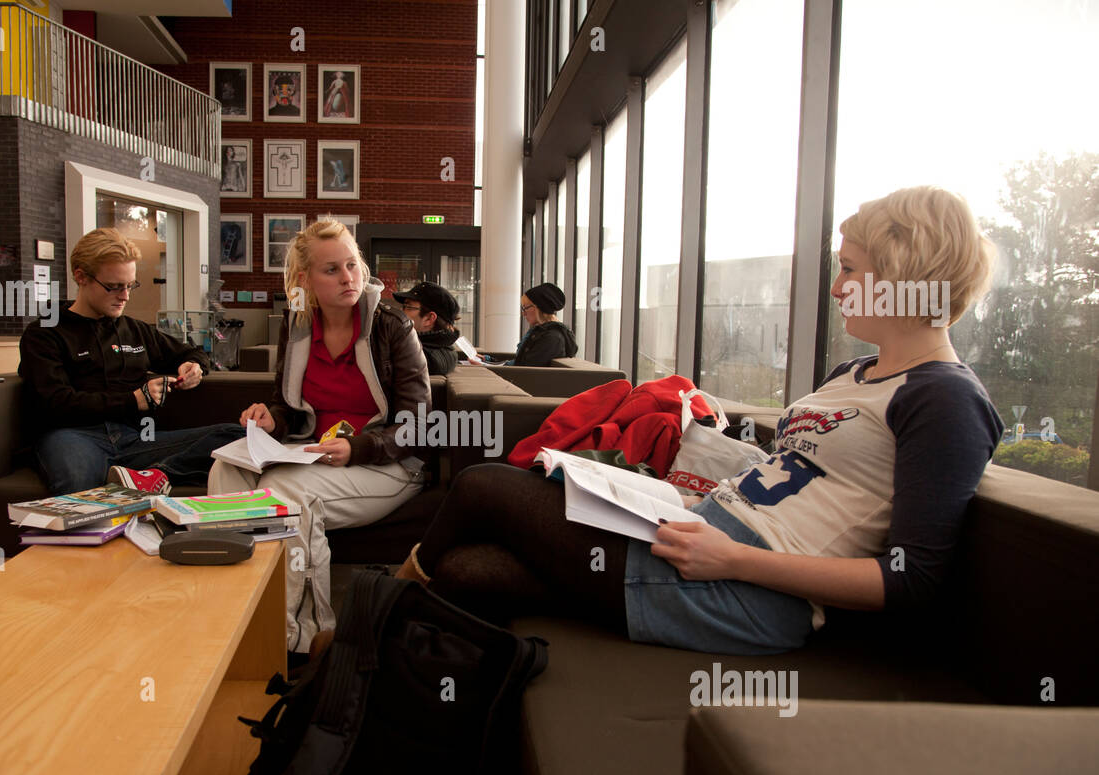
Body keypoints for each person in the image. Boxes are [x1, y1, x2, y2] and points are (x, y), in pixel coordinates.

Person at [392, 186, 1004, 655]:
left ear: (898, 277)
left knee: (482, 486)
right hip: (693, 533)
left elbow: (911, 580)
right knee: (466, 572)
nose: (838, 287)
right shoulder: (853, 374)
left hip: (744, 588)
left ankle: (371, 631)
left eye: (848, 268)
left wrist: (734, 560)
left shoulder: (945, 399)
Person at [207, 220, 431, 653]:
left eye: (352, 265)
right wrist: (271, 420)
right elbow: (287, 406)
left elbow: (419, 424)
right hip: (312, 454)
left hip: (386, 462)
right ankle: (230, 615)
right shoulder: (297, 326)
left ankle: (299, 638)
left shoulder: (391, 327)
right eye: (332, 270)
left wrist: (358, 447)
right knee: (226, 472)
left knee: (282, 491)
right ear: (304, 279)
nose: (348, 278)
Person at [19, 228, 244, 495]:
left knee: (238, 437)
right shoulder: (45, 333)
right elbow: (55, 403)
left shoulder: (134, 330)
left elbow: (188, 352)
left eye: (130, 285)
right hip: (72, 435)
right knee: (76, 483)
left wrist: (194, 367)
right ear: (81, 277)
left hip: (137, 439)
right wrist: (133, 400)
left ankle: (157, 475)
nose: (125, 296)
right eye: (114, 286)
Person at [393, 281, 461, 376]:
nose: (401, 312)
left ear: (429, 319)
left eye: (408, 307)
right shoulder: (444, 349)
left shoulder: (420, 358)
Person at [505, 282, 578, 366]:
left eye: (525, 308)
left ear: (538, 308)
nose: (523, 313)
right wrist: (492, 361)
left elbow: (527, 367)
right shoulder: (543, 332)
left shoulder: (552, 338)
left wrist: (497, 365)